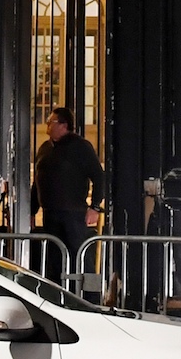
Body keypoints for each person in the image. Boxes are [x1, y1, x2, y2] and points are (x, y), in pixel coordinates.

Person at [31, 107, 105, 271]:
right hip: (50, 212)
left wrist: (95, 207)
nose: (48, 125)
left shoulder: (81, 147)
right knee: (54, 258)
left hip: (73, 213)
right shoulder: (45, 148)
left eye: (52, 122)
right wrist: (32, 210)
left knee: (78, 255)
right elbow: (37, 182)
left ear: (64, 125)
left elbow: (99, 176)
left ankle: (86, 295)